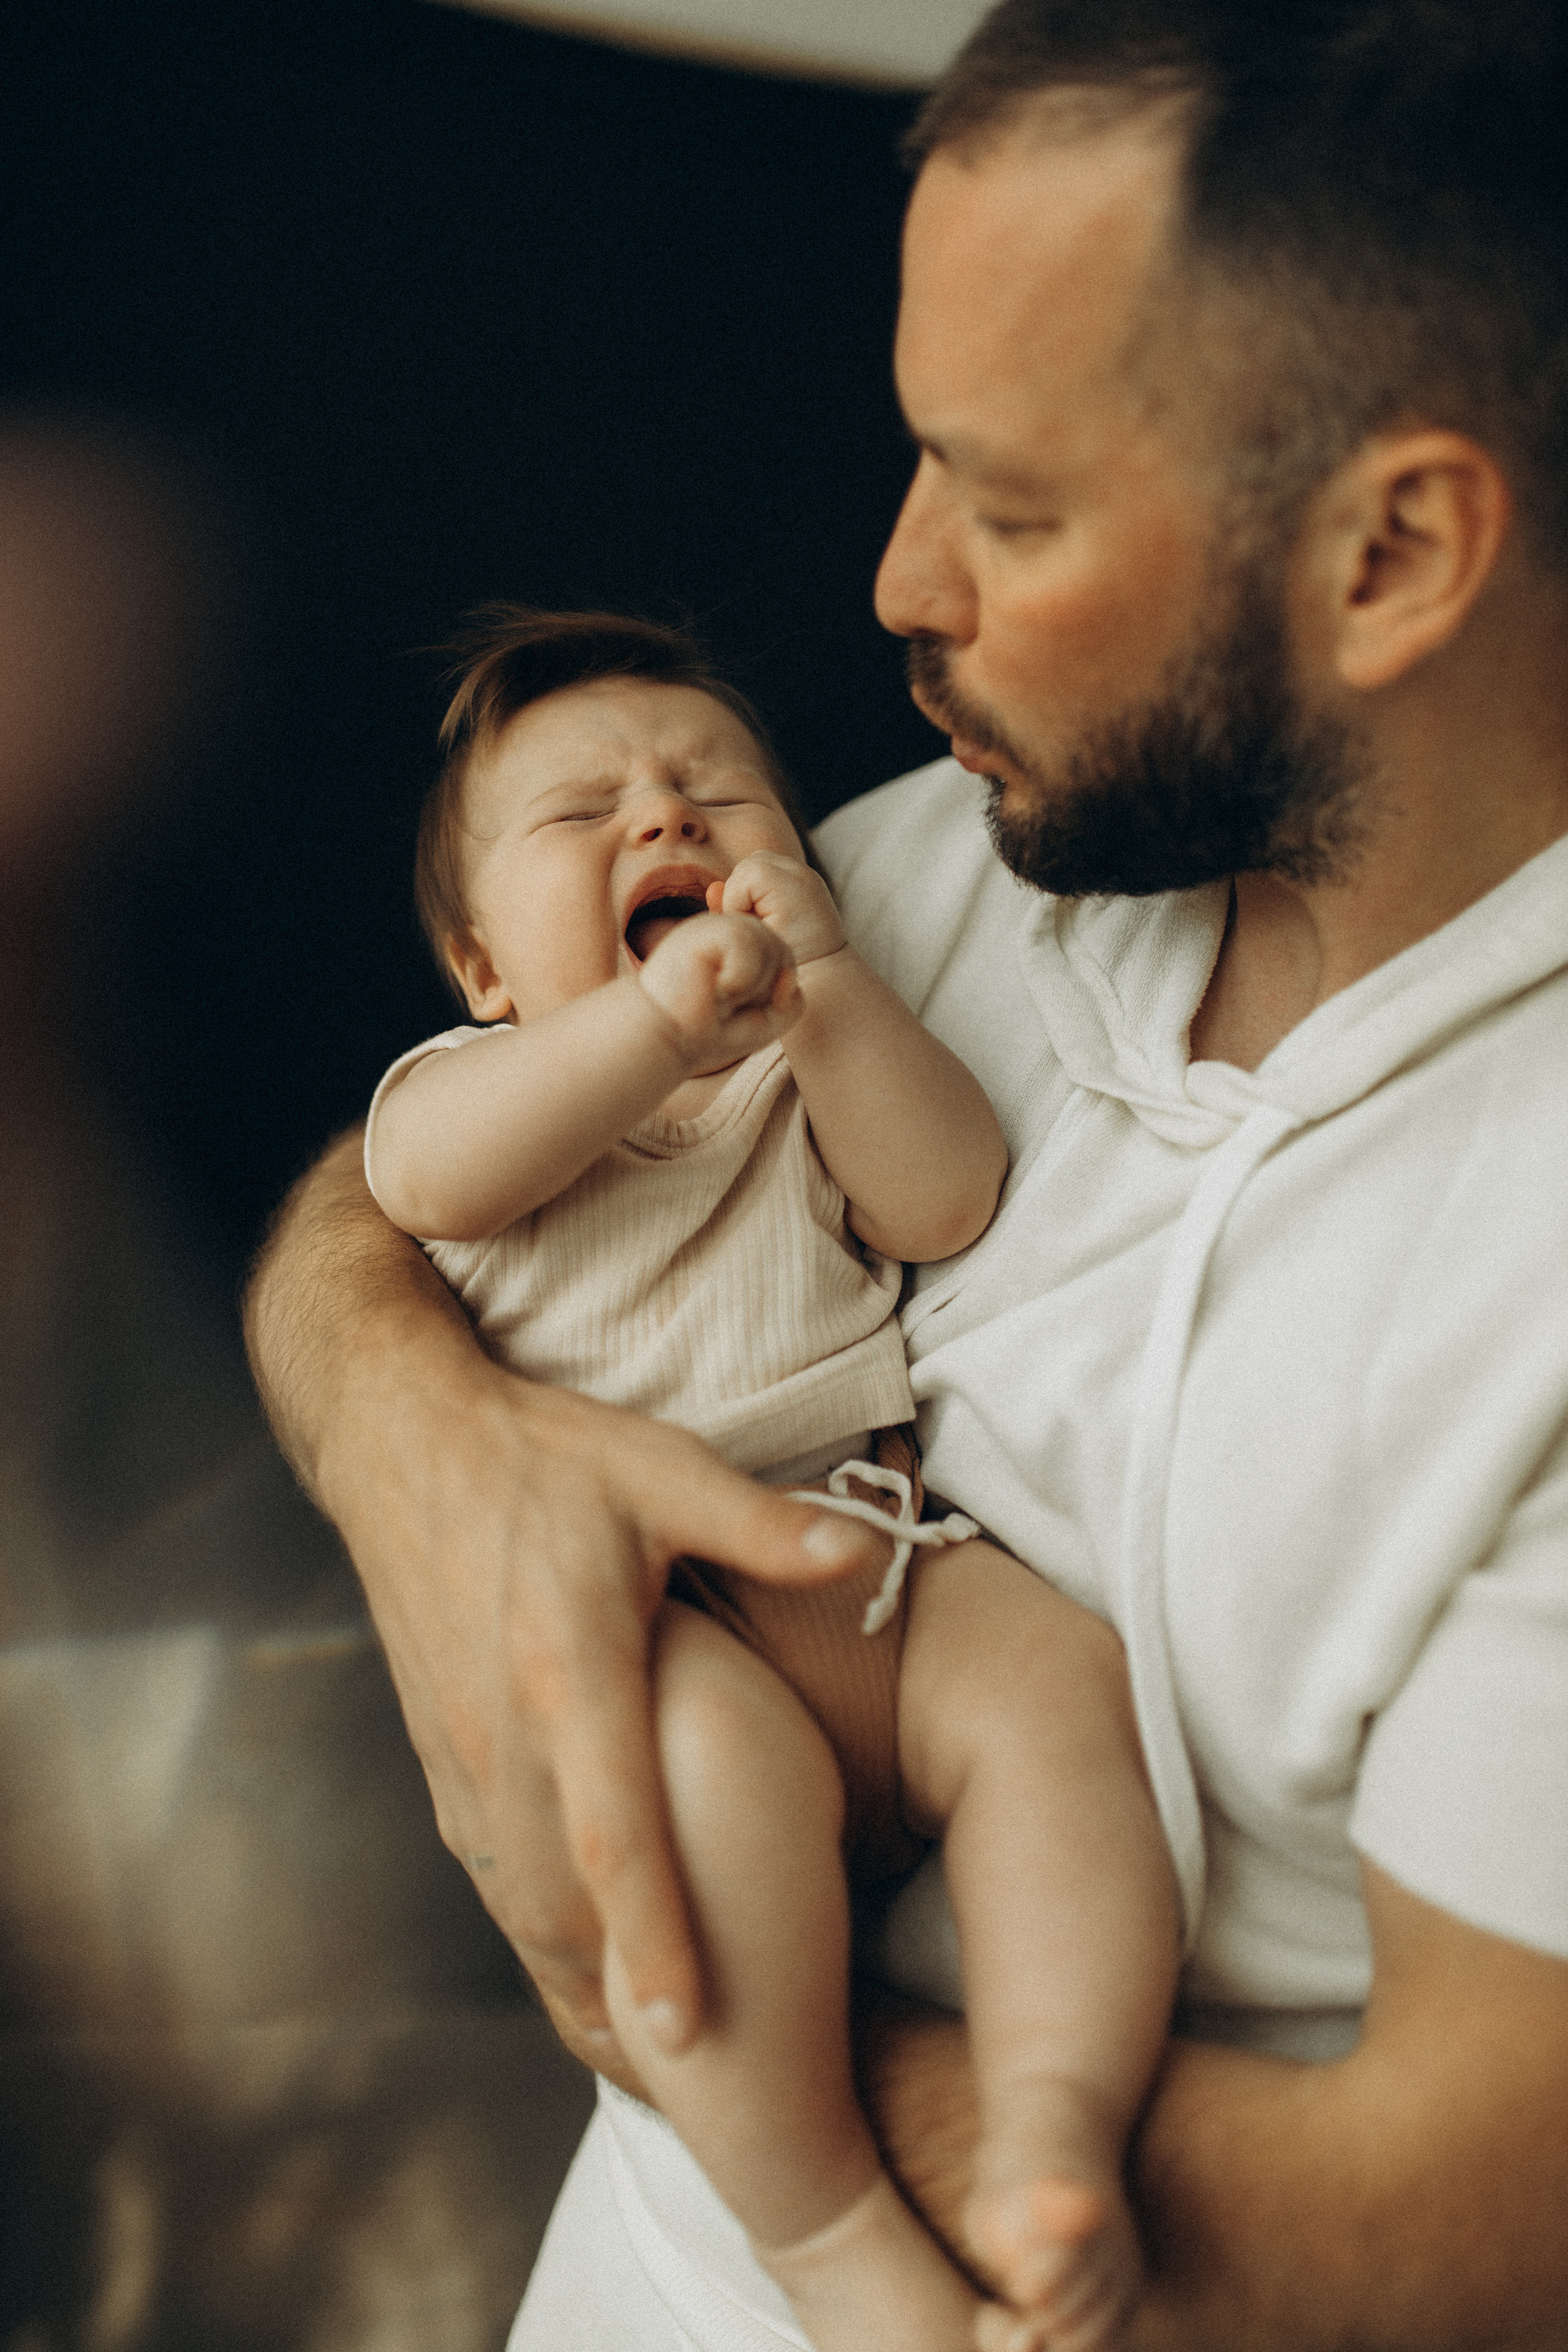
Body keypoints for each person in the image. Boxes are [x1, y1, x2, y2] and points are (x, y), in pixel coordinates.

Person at [243, 3, 1568, 2346]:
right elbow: (427, 1161)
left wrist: (641, 1968)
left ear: (1394, 553)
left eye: (1010, 501)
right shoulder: (943, 856)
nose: (893, 584)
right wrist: (422, 1447)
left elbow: (1446, 2240)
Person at [361, 605, 1178, 2352]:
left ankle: (1051, 2128)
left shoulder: (794, 1077)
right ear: (481, 963)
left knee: (1058, 1693)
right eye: (585, 818)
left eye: (714, 794)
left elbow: (944, 1199)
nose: (665, 820)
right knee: (699, 1809)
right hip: (673, 1619)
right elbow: (430, 1185)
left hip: (880, 1547)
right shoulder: (464, 1090)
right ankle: (824, 2236)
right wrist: (651, 1027)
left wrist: (833, 1005)